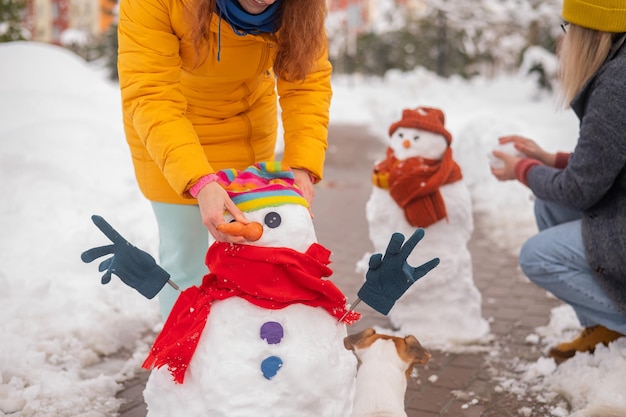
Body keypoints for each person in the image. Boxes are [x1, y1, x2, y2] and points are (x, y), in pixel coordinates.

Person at [117, 0, 332, 318]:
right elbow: (151, 95)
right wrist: (198, 180)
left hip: (245, 131)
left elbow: (306, 82)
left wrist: (302, 164)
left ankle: (250, 352)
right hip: (168, 134)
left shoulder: (302, 6)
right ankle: (181, 358)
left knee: (253, 259)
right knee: (183, 261)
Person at [490, 0, 626, 363]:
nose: (561, 39)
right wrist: (549, 160)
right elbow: (609, 163)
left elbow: (579, 190)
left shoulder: (617, 85)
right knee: (550, 204)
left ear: (589, 32)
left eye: (567, 28)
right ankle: (605, 327)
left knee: (538, 256)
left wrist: (520, 170)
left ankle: (618, 319)